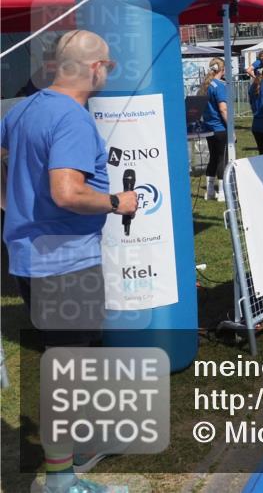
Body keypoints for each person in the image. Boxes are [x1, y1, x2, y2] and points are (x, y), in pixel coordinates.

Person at [1, 29, 138, 493]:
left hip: (31, 257)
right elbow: (68, 192)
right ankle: (60, 480)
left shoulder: (26, 108)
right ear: (94, 68)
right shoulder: (73, 119)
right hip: (64, 262)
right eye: (108, 65)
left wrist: (11, 202)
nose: (107, 72)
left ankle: (69, 462)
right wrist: (119, 202)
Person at [199, 57, 228, 201]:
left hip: (209, 127)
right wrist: (231, 128)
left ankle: (210, 191)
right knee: (222, 159)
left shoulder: (205, 85)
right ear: (221, 70)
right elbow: (223, 109)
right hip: (220, 127)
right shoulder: (219, 86)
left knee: (213, 158)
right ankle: (222, 192)